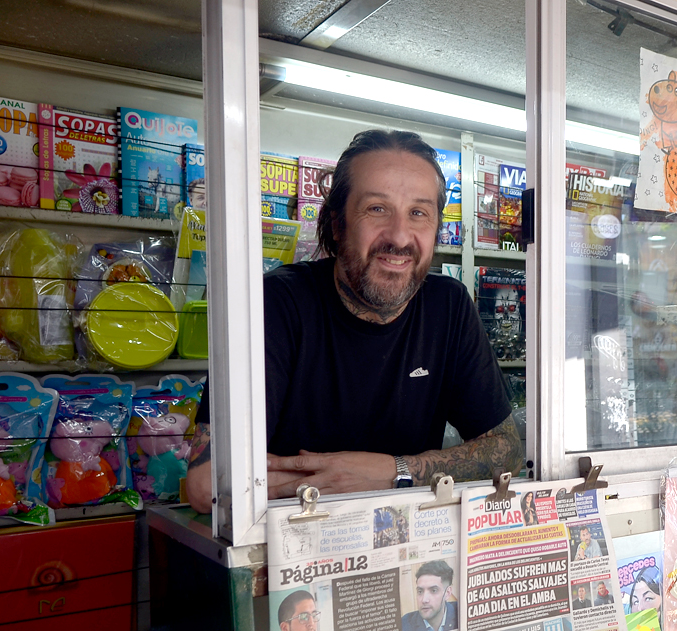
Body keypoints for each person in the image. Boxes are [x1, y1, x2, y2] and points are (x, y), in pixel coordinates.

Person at [186, 130, 523, 512]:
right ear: (337, 223)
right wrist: (344, 482)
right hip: (289, 547)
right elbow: (206, 482)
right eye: (377, 208)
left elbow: (507, 451)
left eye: (418, 213)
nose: (399, 236)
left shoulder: (449, 306)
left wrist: (394, 471)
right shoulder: (276, 303)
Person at [401, 560, 458, 631]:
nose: (424, 600)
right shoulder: (404, 625)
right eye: (420, 591)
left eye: (433, 590)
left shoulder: (461, 612)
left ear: (447, 593)